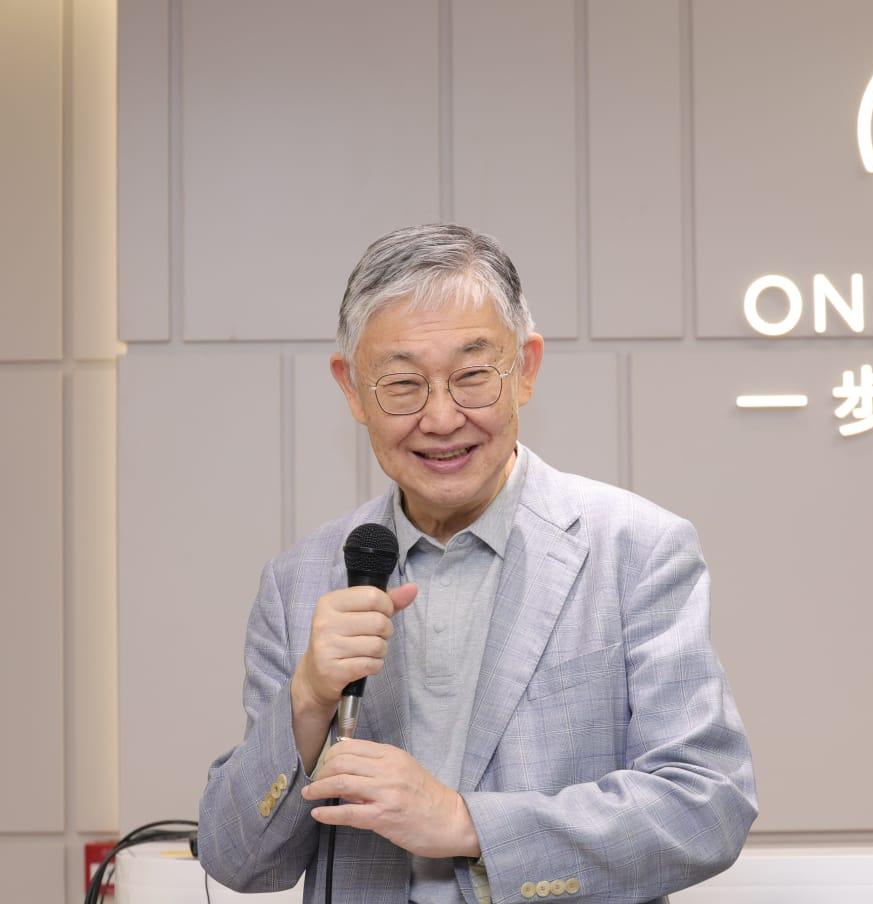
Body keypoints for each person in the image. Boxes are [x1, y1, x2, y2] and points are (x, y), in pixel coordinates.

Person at [197, 225, 757, 904]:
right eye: (402, 383)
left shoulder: (636, 549)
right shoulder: (300, 581)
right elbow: (237, 860)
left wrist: (465, 823)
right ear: (351, 389)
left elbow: (707, 805)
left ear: (526, 368)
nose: (441, 418)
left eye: (471, 377)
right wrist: (308, 700)